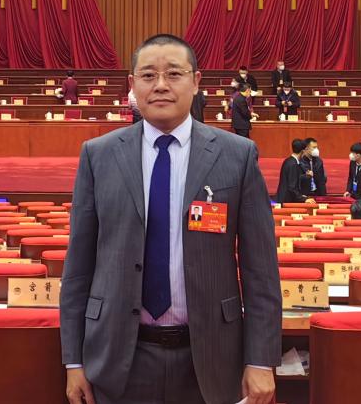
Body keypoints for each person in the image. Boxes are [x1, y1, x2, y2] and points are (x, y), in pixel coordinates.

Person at [61, 34, 280, 404]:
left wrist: (260, 359)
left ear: (196, 82)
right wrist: (73, 360)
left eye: (174, 74)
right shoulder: (99, 155)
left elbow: (261, 269)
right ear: (132, 86)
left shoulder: (237, 155)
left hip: (210, 356)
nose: (160, 85)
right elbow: (78, 267)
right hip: (117, 356)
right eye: (148, 75)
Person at [276, 138, 311, 204]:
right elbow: (292, 187)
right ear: (302, 151)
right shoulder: (293, 164)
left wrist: (300, 195)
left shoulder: (288, 161)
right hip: (286, 201)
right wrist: (303, 199)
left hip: (285, 198)